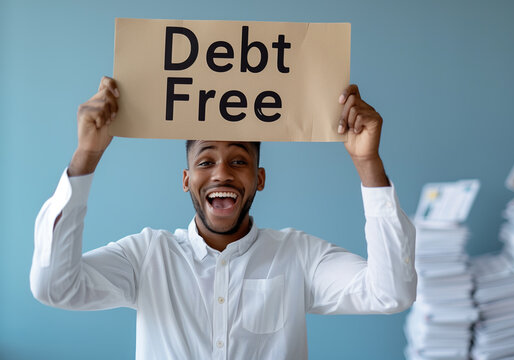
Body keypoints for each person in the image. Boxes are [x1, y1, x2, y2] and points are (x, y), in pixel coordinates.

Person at [30, 76, 417, 359]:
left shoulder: (299, 255)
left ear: (259, 179)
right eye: (205, 161)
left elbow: (391, 292)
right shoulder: (147, 255)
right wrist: (87, 155)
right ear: (186, 180)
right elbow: (55, 287)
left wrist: (368, 162)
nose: (221, 174)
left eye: (238, 161)